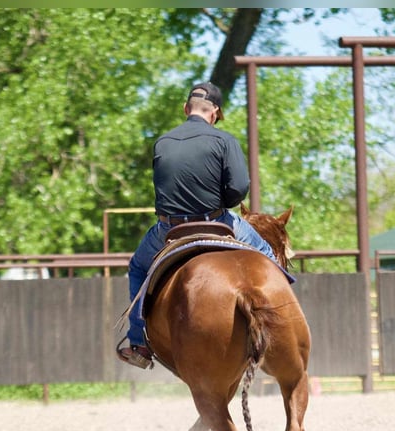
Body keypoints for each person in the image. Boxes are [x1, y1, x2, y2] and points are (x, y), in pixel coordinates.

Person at [117, 81, 277, 369]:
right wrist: (220, 200)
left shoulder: (162, 142)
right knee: (268, 254)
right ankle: (283, 321)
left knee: (138, 268)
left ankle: (138, 342)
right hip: (216, 221)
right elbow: (239, 189)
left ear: (185, 109)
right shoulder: (224, 140)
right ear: (214, 112)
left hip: (169, 230)